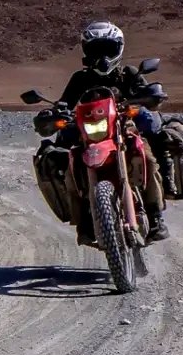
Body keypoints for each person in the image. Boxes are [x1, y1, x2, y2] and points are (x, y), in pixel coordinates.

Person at [34, 21, 169, 243]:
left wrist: (147, 97)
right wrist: (55, 113)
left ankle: (155, 217)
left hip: (123, 128)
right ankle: (84, 223)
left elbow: (146, 94)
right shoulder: (80, 79)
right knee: (71, 167)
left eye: (108, 49)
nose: (103, 57)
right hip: (88, 133)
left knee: (148, 158)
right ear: (87, 51)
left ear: (119, 49)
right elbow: (65, 103)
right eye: (96, 50)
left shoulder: (128, 74)